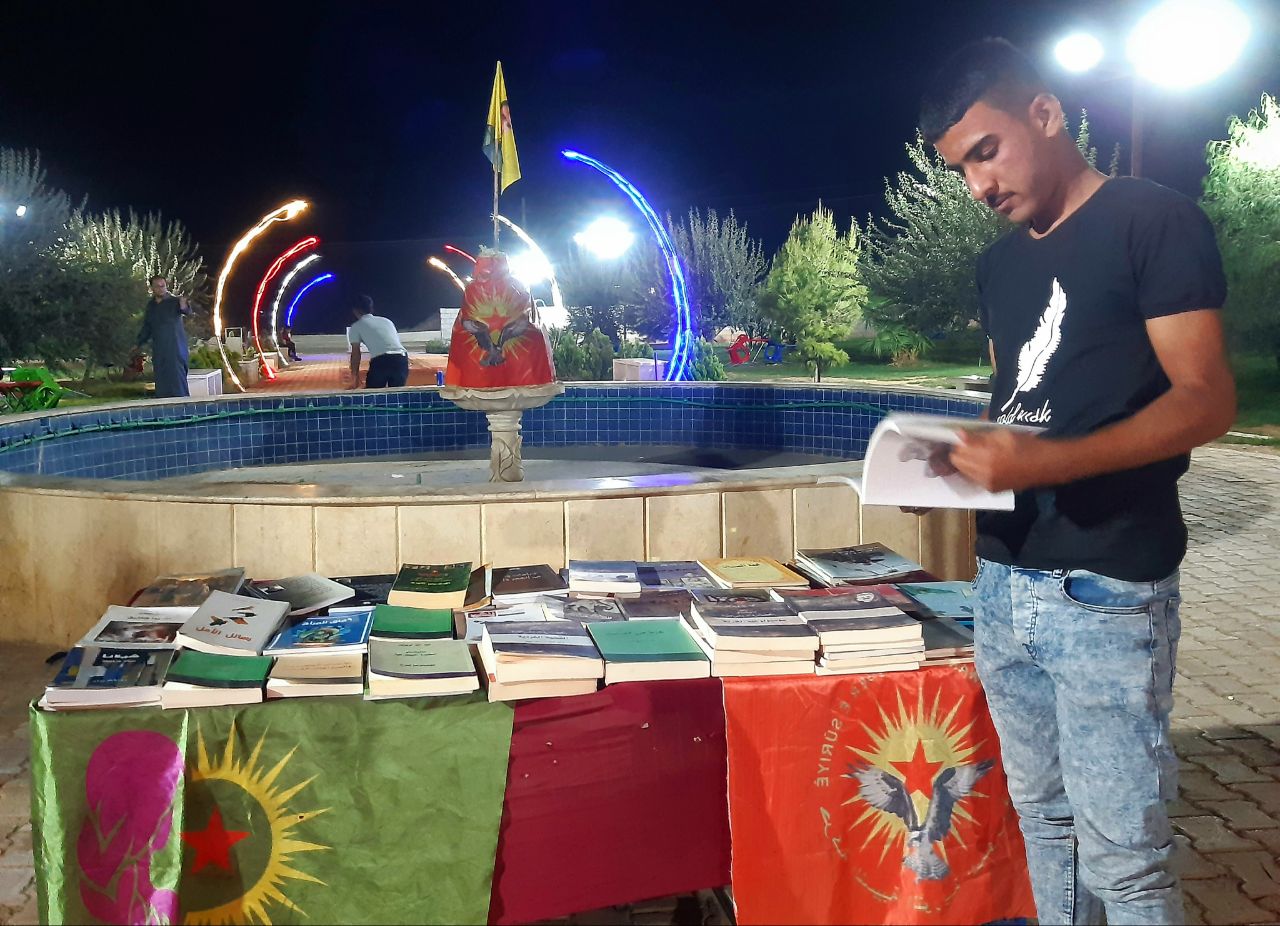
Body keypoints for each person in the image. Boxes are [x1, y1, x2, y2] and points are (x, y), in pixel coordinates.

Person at [919, 38, 1235, 925]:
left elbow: (1207, 399)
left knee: (1123, 855)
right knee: (1045, 824)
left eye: (987, 152)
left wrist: (1044, 463)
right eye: (960, 169)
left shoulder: (1152, 220)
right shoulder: (998, 265)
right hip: (1002, 579)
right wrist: (952, 474)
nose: (977, 186)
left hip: (1105, 583)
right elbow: (1019, 406)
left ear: (1046, 114)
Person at [136, 275, 193, 398]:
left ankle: (182, 406)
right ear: (152, 288)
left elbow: (187, 311)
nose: (161, 288)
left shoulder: (174, 302)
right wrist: (138, 344)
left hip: (175, 350)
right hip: (159, 351)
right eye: (158, 286)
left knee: (178, 382)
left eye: (163, 286)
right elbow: (147, 327)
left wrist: (184, 306)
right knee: (162, 382)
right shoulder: (151, 306)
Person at [346, 294, 408, 389]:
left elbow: (356, 354)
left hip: (382, 361)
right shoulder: (387, 321)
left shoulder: (356, 326)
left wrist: (355, 376)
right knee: (396, 393)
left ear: (355, 310)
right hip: (401, 358)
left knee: (373, 393)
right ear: (371, 308)